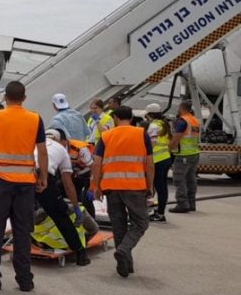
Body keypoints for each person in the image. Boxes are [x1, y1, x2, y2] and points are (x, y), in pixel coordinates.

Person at [0, 81, 46, 292]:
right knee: (22, 232)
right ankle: (25, 280)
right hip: (26, 184)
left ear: (5, 98)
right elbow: (42, 151)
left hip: (2, 181)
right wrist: (43, 177)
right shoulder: (35, 118)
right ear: (24, 98)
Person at [90, 105, 153, 277]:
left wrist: (96, 186)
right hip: (135, 187)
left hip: (111, 187)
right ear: (131, 119)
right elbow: (149, 163)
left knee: (119, 226)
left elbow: (96, 163)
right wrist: (150, 185)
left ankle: (125, 265)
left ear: (116, 119)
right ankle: (124, 249)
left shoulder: (106, 136)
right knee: (141, 223)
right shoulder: (141, 134)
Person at [36, 129, 90, 265]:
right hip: (44, 176)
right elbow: (68, 183)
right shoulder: (61, 149)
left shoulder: (34, 143)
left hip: (23, 174)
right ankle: (80, 254)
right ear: (61, 140)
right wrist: (76, 207)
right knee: (60, 215)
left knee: (7, 209)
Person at [168, 100, 200, 213]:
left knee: (179, 179)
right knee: (191, 179)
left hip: (183, 155)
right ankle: (191, 203)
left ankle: (182, 204)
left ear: (182, 107)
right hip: (194, 153)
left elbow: (176, 138)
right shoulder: (195, 120)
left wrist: (169, 149)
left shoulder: (183, 121)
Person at [145, 103, 173, 222]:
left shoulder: (154, 126)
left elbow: (152, 143)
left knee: (157, 187)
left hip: (157, 160)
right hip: (165, 158)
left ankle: (160, 214)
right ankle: (160, 212)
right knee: (162, 188)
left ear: (149, 115)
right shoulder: (164, 124)